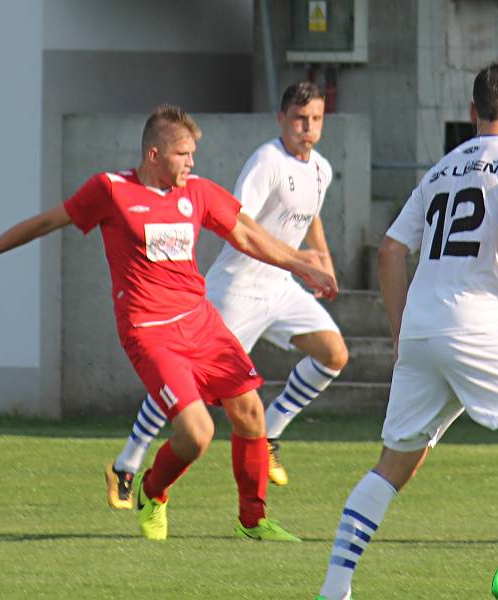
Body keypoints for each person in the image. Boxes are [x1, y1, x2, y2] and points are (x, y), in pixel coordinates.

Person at [0, 104, 338, 542]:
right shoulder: (110, 190)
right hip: (150, 332)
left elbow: (245, 232)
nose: (191, 162)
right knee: (198, 434)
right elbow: (48, 221)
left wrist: (301, 263)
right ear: (153, 155)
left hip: (201, 323)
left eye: (191, 153)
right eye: (183, 153)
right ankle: (151, 491)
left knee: (251, 413)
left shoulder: (197, 192)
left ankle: (253, 521)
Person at [316, 63, 498, 600]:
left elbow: (391, 251)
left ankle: (334, 588)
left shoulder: (439, 170)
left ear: (471, 113)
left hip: (420, 330)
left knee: (393, 466)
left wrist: (400, 332)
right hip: (475, 322)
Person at [105, 82, 348, 511]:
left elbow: (312, 216)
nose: (306, 127)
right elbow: (241, 225)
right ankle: (129, 460)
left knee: (334, 354)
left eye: (315, 119)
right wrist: (297, 258)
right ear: (281, 119)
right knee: (182, 384)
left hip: (281, 287)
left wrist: (321, 262)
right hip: (238, 289)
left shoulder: (322, 169)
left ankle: (271, 431)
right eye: (298, 118)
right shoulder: (267, 162)